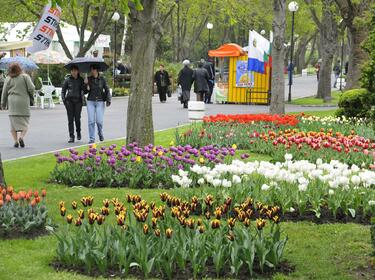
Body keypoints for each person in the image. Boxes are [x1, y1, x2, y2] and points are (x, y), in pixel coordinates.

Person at [1, 63, 35, 148]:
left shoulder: (8, 78)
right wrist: (31, 96)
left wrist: (3, 104)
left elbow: (4, 92)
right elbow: (31, 88)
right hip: (23, 102)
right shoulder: (25, 77)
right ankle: (21, 137)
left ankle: (16, 141)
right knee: (25, 123)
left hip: (12, 103)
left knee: (13, 125)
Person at [85, 64, 111, 144]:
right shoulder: (88, 79)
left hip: (100, 101)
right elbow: (85, 92)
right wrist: (86, 85)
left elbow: (107, 90)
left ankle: (100, 133)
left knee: (99, 121)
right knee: (91, 121)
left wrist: (108, 100)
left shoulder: (102, 79)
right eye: (91, 69)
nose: (91, 71)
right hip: (90, 101)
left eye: (92, 69)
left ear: (96, 70)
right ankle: (92, 138)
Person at [61, 65, 85, 143]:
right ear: (70, 72)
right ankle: (71, 136)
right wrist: (64, 100)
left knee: (77, 119)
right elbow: (63, 91)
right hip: (69, 102)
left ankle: (78, 132)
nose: (74, 72)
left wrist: (85, 84)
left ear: (78, 71)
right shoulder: (67, 80)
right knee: (70, 120)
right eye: (72, 71)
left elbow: (84, 90)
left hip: (78, 102)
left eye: (75, 71)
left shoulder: (81, 80)